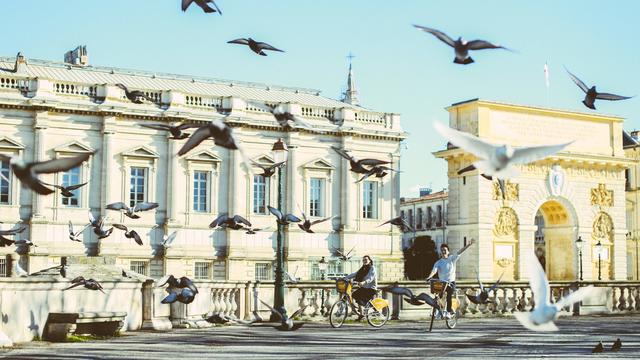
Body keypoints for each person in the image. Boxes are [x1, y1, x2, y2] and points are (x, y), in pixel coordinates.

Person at [426, 239, 476, 319]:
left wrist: (468, 245)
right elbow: (434, 270)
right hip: (442, 283)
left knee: (449, 295)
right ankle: (439, 310)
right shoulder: (438, 262)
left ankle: (449, 311)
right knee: (438, 296)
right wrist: (429, 277)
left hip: (451, 283)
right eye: (442, 250)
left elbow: (460, 252)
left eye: (445, 250)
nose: (443, 252)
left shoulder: (452, 259)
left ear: (448, 252)